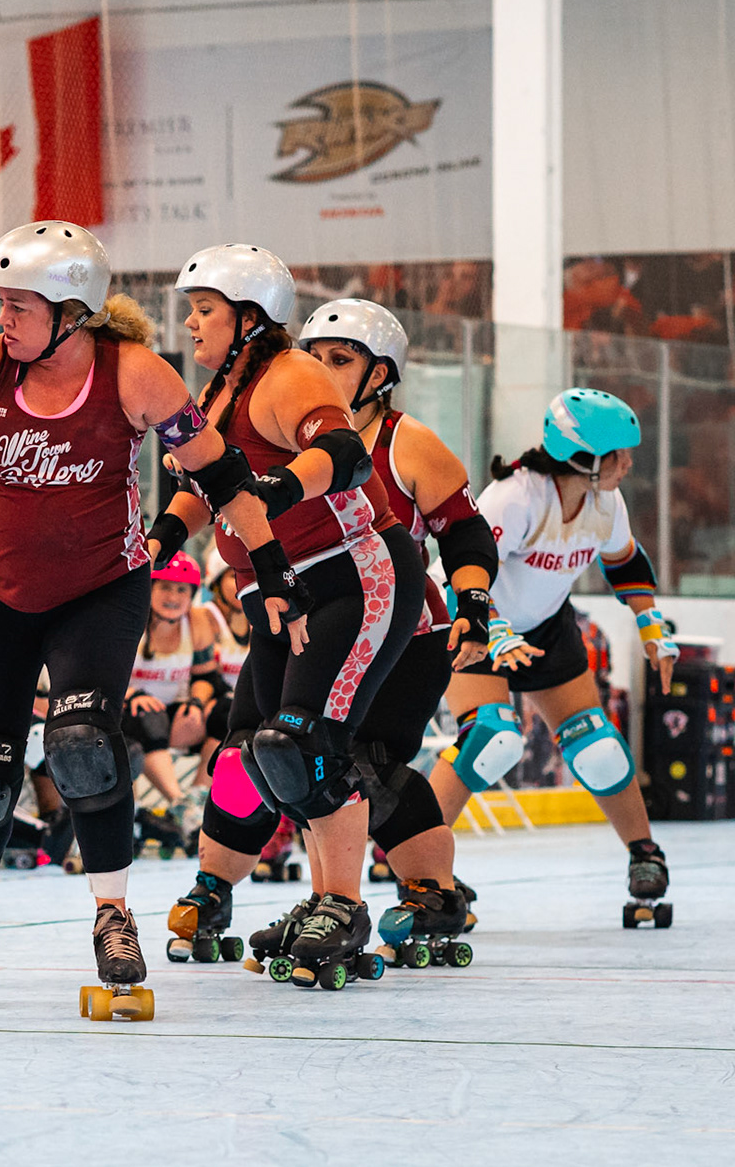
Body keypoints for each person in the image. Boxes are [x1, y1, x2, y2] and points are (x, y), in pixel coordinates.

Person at [0, 220, 299, 1011]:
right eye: (2, 303)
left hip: (100, 588)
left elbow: (221, 476)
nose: (4, 318)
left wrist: (275, 568)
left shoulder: (135, 373)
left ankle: (113, 912)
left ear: (71, 310)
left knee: (82, 743)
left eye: (19, 305)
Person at [167, 299, 498, 968]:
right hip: (296, 612)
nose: (318, 369)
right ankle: (226, 887)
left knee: (357, 759)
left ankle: (426, 890)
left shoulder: (403, 442)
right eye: (313, 356)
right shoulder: (265, 411)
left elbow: (464, 530)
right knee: (254, 752)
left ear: (380, 375)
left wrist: (474, 601)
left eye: (340, 360)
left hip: (403, 627)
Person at [430, 387, 678, 929]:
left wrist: (652, 628)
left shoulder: (605, 503)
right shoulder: (515, 498)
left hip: (544, 628)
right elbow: (461, 574)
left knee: (597, 744)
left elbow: (626, 564)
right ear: (584, 458)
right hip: (471, 621)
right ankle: (422, 870)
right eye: (619, 455)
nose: (628, 465)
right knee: (490, 739)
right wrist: (495, 631)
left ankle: (645, 854)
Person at [123, 550, 221, 806]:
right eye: (165, 587)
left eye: (181, 590)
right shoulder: (129, 621)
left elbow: (206, 676)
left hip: (174, 717)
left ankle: (198, 796)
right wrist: (131, 694)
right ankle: (178, 802)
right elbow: (98, 674)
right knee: (148, 714)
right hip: (126, 712)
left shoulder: (196, 622)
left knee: (226, 712)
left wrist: (196, 704)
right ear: (150, 588)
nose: (173, 597)